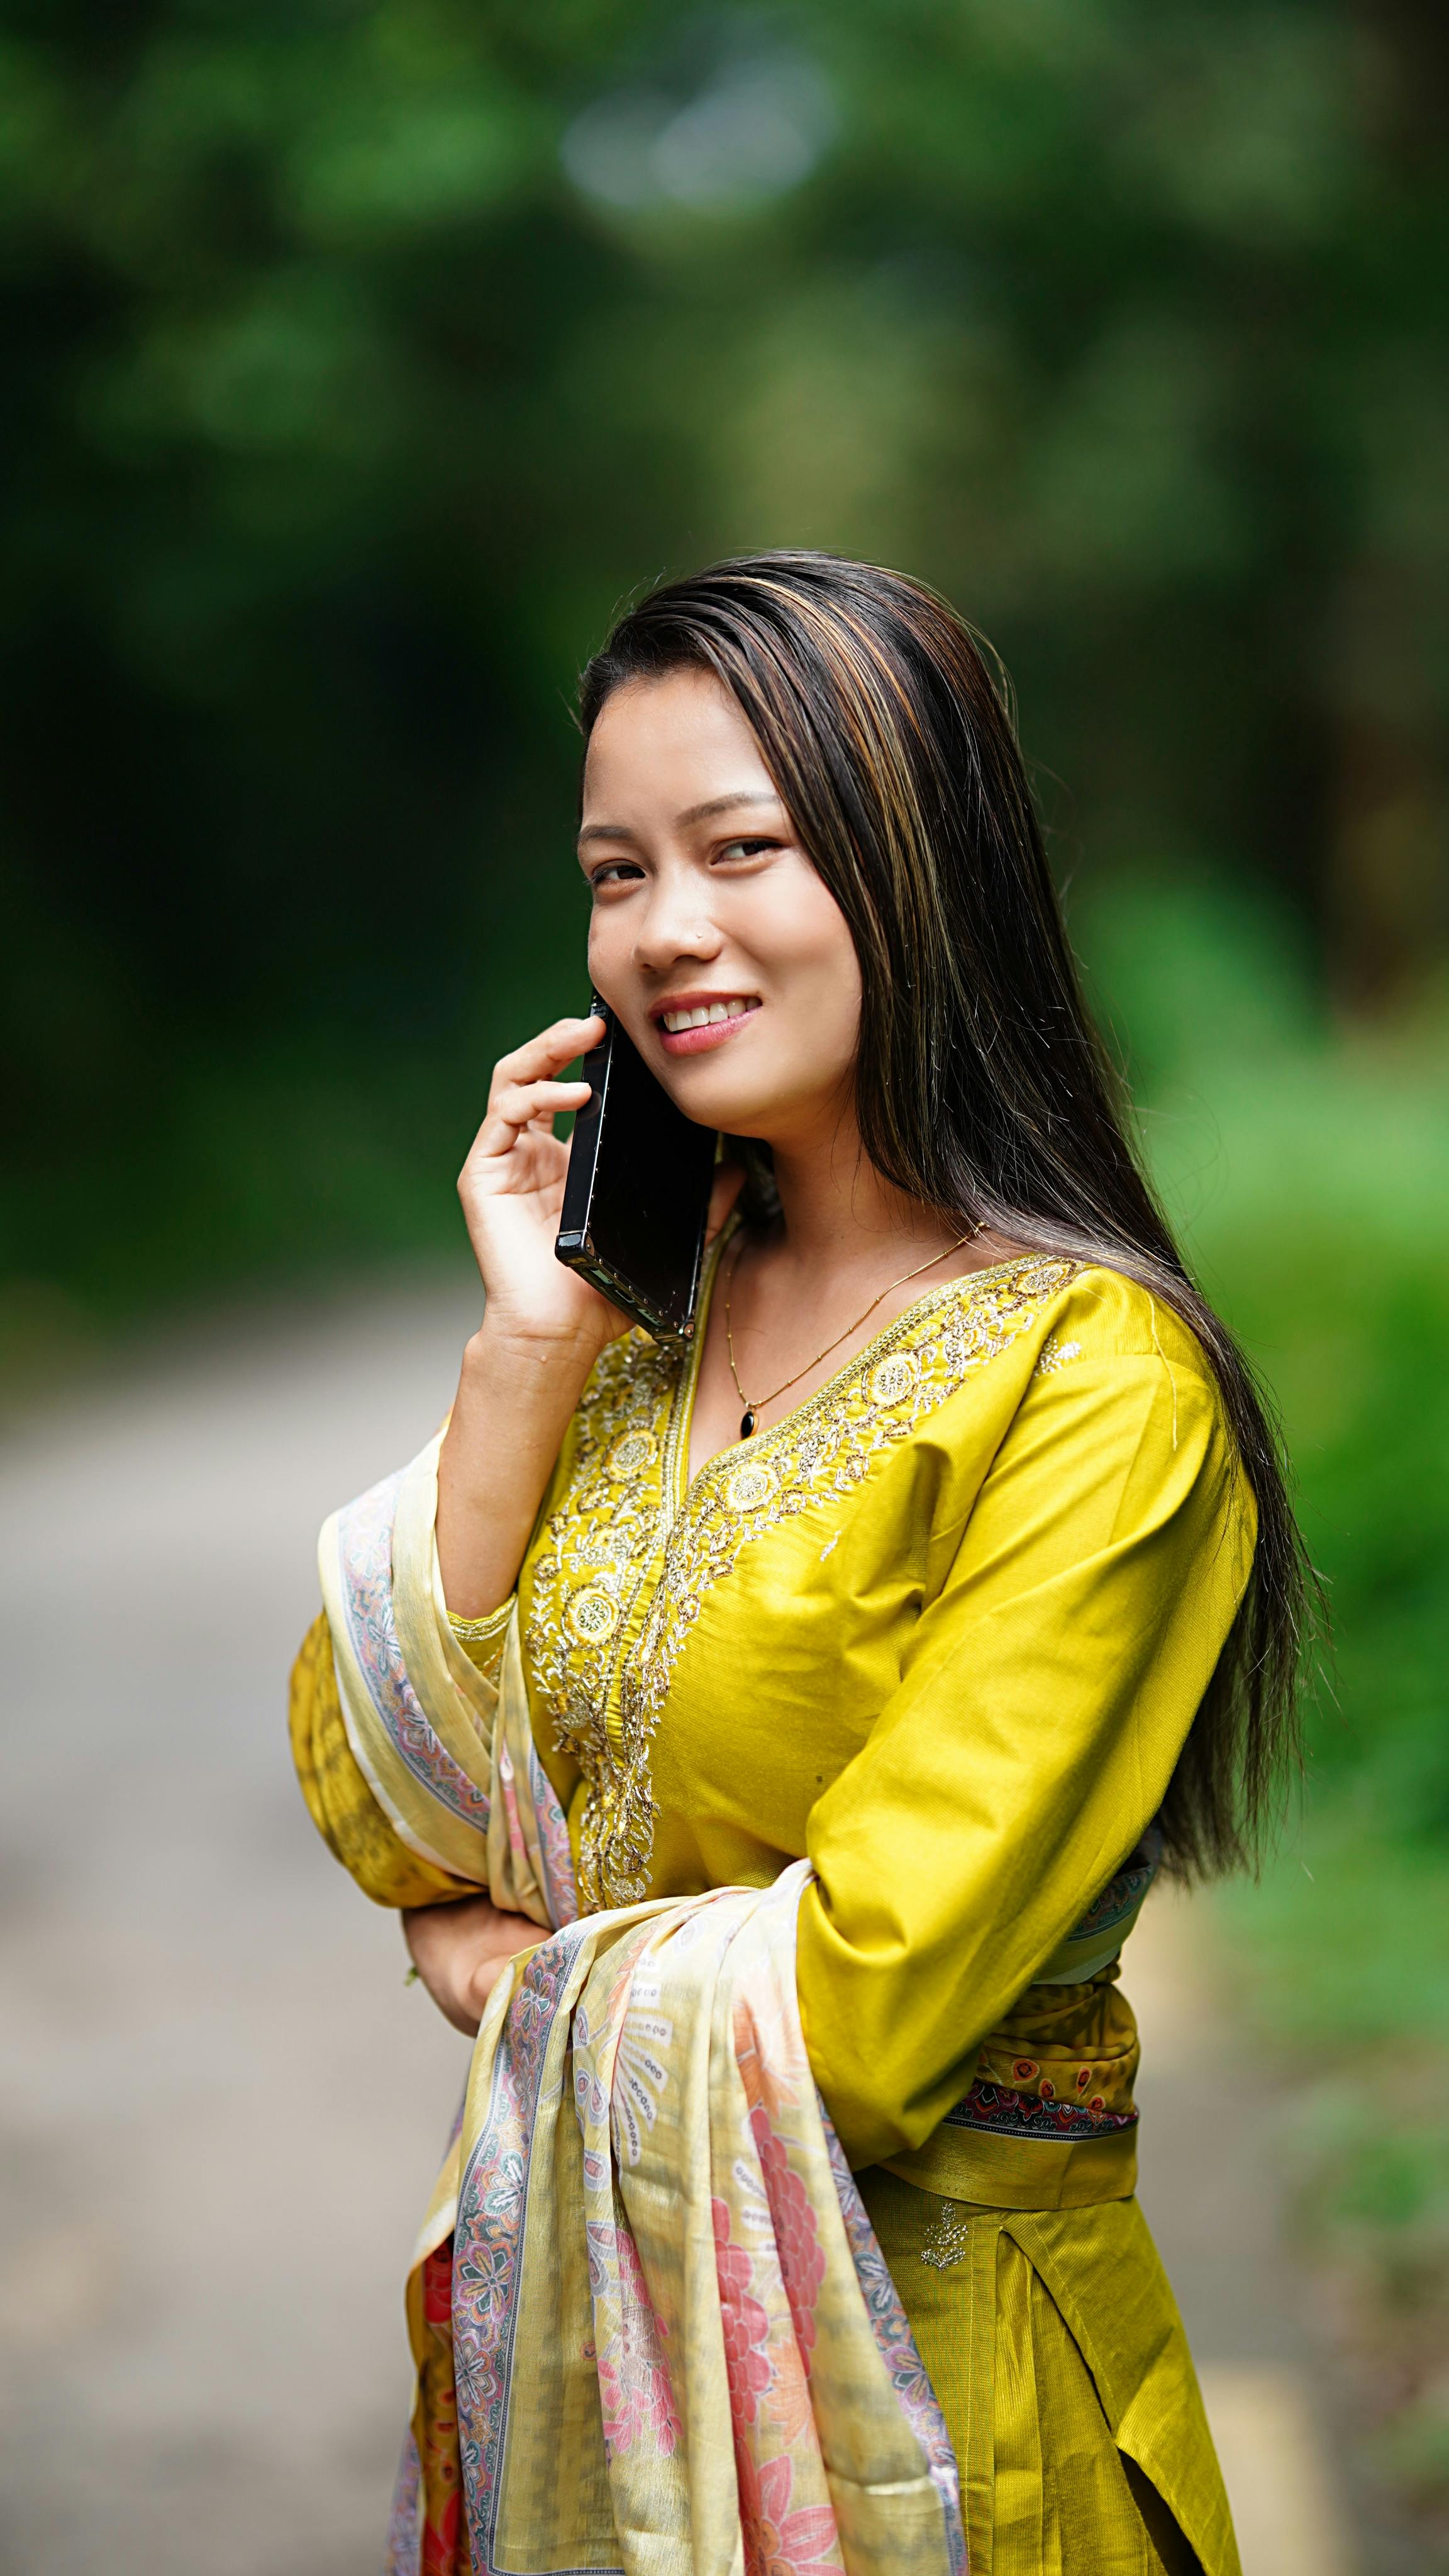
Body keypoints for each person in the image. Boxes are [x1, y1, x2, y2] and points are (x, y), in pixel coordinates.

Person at [290, 553, 1306, 2576]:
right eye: (616, 873)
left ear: (919, 865)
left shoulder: (1093, 1385)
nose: (666, 930)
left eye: (739, 849)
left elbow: (858, 2021)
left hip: (948, 2438)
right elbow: (377, 1789)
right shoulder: (630, 1327)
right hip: (595, 2389)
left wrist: (504, 1978)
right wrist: (522, 1357)